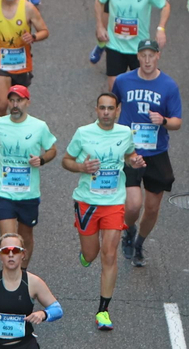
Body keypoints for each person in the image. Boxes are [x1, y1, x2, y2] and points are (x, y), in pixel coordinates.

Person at [62, 93, 144, 332]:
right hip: (87, 203)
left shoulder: (125, 133)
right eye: (102, 108)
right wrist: (81, 166)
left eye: (110, 108)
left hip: (114, 202)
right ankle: (86, 255)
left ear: (117, 110)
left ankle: (103, 311)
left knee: (110, 254)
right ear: (96, 110)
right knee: (92, 254)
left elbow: (129, 155)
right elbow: (66, 160)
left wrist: (133, 161)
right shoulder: (83, 133)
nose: (106, 112)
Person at [112, 40, 181, 268]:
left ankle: (139, 243)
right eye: (143, 55)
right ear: (138, 57)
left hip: (156, 153)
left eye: (152, 55)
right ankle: (128, 230)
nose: (148, 60)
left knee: (152, 208)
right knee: (133, 205)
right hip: (130, 152)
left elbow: (177, 122)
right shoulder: (123, 81)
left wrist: (163, 121)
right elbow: (112, 106)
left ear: (158, 56)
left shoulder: (169, 86)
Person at [0, 85, 58, 266]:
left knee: (25, 237)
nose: (15, 105)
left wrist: (42, 159)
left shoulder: (39, 126)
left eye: (19, 100)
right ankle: (10, 276)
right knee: (9, 240)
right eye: (12, 100)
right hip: (4, 192)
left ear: (27, 102)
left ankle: (22, 272)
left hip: (28, 193)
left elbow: (52, 149)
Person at [95, 0, 168, 85]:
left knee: (142, 89)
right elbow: (99, 1)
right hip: (115, 45)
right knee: (114, 90)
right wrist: (100, 26)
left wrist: (161, 29)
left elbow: (165, 6)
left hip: (139, 49)